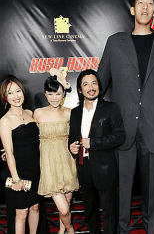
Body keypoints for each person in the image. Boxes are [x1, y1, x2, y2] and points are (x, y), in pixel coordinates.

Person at [97, 0, 154, 234]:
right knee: (121, 191)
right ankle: (122, 230)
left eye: (150, 3)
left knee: (153, 191)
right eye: (140, 3)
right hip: (122, 129)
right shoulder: (115, 42)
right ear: (132, 10)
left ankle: (152, 230)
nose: (145, 7)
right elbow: (99, 84)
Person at [68, 69, 125, 234]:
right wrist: (71, 147)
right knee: (90, 210)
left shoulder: (110, 108)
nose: (91, 87)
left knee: (109, 212)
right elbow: (71, 138)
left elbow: (120, 136)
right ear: (79, 89)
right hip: (84, 168)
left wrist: (93, 143)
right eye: (86, 84)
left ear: (99, 86)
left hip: (105, 168)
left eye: (94, 83)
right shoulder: (75, 112)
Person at [34, 69, 79, 234]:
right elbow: (30, 138)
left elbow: (76, 136)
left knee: (66, 206)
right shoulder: (38, 114)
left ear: (63, 94)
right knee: (65, 210)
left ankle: (62, 231)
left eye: (58, 94)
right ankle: (71, 229)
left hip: (67, 163)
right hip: (49, 165)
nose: (54, 98)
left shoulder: (69, 113)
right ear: (46, 94)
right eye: (50, 93)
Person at [0, 75, 40, 234]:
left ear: (23, 92)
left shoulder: (31, 113)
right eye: (10, 93)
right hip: (19, 171)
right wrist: (16, 179)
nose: (16, 96)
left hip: (36, 170)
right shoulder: (5, 121)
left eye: (18, 91)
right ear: (5, 97)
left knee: (35, 207)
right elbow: (8, 153)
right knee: (21, 212)